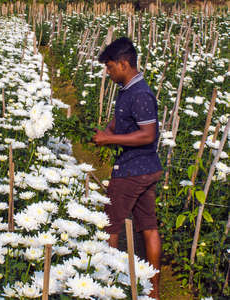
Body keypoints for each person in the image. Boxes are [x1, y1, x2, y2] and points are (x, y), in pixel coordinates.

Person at [92, 37, 162, 300]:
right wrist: (108, 130)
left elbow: (147, 134)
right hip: (144, 169)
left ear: (123, 64)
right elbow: (123, 119)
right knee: (148, 226)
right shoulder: (129, 90)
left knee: (110, 226)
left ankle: (109, 285)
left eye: (110, 68)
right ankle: (153, 290)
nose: (108, 73)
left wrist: (109, 139)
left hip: (133, 170)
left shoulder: (141, 93)